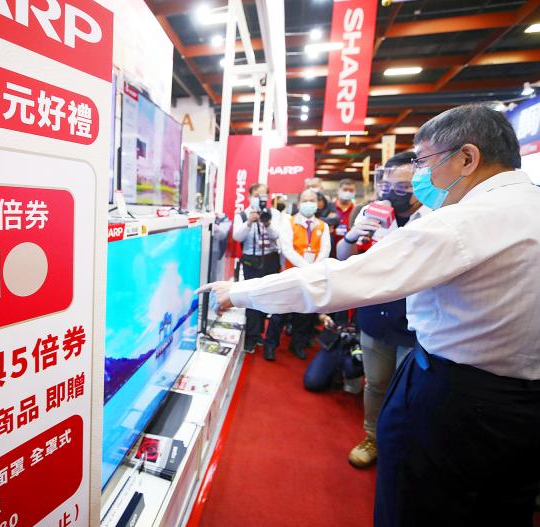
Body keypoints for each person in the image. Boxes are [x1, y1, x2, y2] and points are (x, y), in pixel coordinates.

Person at [199, 104, 540, 526]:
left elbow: (341, 279)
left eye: (425, 162)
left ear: (467, 158)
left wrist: (239, 292)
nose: (420, 176)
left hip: (460, 400)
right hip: (519, 408)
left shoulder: (463, 222)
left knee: (416, 504)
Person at [337, 151, 428, 469]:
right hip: (375, 315)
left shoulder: (436, 217)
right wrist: (353, 234)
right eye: (388, 186)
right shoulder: (370, 213)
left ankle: (404, 444)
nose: (393, 193)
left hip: (416, 321)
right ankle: (372, 437)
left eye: (403, 187)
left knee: (411, 390)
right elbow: (343, 257)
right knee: (375, 383)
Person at [267, 188, 330, 360]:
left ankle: (298, 345)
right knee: (279, 313)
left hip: (311, 276)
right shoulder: (289, 222)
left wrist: (313, 268)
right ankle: (270, 345)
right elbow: (287, 249)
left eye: (312, 200)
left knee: (305, 314)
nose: (308, 203)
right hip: (291, 273)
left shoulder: (322, 226)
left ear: (318, 204)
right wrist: (306, 267)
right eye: (305, 200)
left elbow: (325, 250)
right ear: (298, 203)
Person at [232, 183, 280, 353]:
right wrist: (249, 222)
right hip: (251, 260)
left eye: (263, 196)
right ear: (249, 196)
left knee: (267, 298)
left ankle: (259, 332)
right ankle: (251, 337)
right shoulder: (242, 215)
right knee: (251, 297)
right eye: (257, 195)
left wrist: (267, 223)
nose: (260, 199)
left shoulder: (274, 214)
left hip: (271, 259)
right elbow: (237, 237)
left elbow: (277, 235)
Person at [333, 178, 357, 245]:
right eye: (345, 189)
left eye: (351, 190)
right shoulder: (329, 208)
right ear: (338, 191)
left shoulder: (356, 210)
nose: (348, 192)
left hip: (350, 246)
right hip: (331, 245)